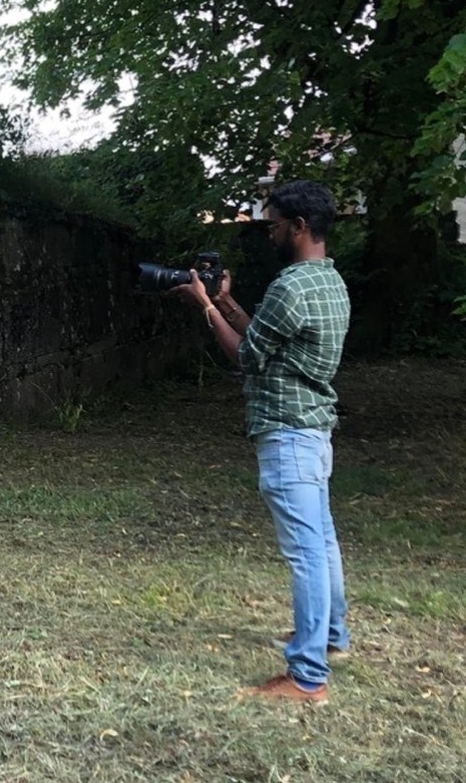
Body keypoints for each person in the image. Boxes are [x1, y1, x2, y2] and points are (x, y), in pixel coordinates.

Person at [171, 179, 351, 704]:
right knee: (322, 542)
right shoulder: (328, 282)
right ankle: (331, 637)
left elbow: (246, 358)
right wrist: (226, 301)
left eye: (273, 224)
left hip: (288, 433)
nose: (268, 232)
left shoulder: (291, 287)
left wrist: (205, 308)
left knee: (306, 554)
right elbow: (265, 340)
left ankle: (307, 676)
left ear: (298, 227)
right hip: (314, 430)